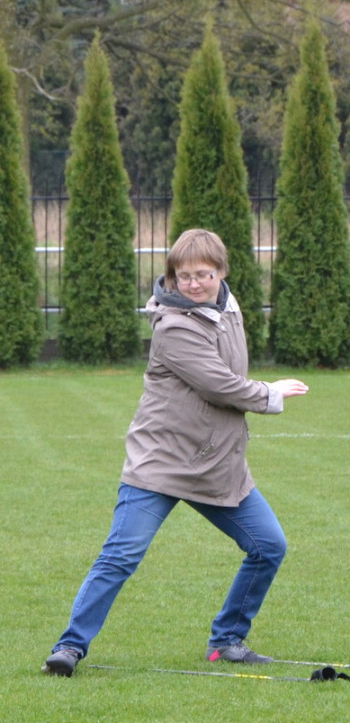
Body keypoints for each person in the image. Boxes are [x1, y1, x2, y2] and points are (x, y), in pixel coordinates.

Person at [43, 229, 309, 677]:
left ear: (221, 273)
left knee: (268, 546)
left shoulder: (226, 306)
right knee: (121, 555)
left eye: (203, 274)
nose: (193, 283)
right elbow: (221, 385)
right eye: (183, 275)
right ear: (172, 276)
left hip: (216, 462)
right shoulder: (174, 326)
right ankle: (69, 648)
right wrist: (270, 392)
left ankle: (227, 640)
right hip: (160, 464)